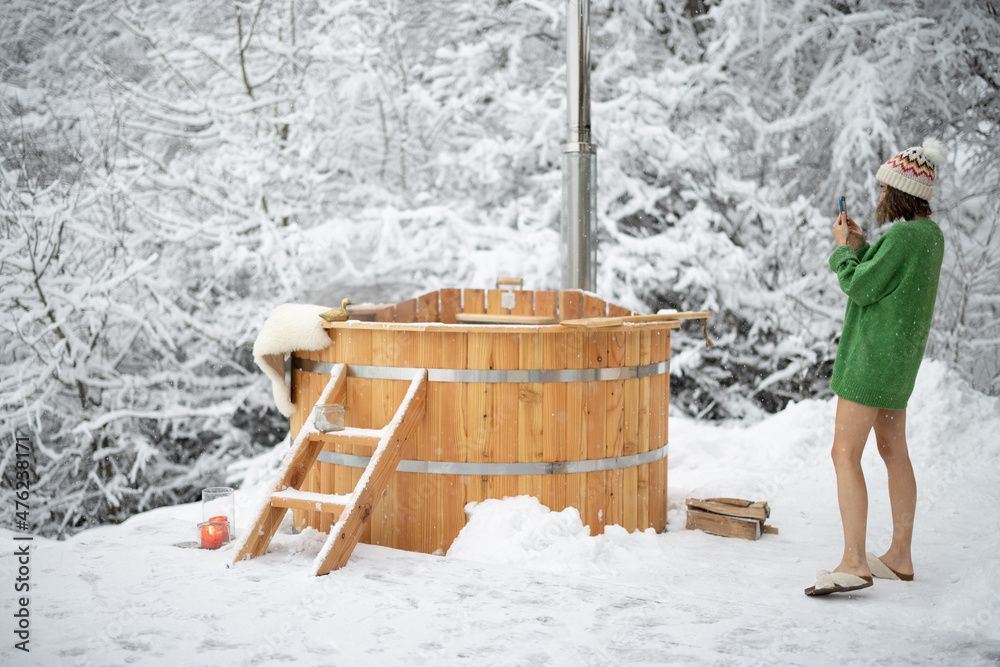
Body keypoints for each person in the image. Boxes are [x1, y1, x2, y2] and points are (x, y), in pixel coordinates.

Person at [805, 139, 946, 596]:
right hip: (899, 362)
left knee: (844, 454)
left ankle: (854, 562)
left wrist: (845, 249)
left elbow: (862, 287)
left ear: (900, 191)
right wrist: (866, 246)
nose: (880, 197)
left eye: (885, 189)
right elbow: (889, 281)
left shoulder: (903, 236)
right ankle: (900, 557)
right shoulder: (929, 236)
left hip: (870, 360)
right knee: (893, 452)